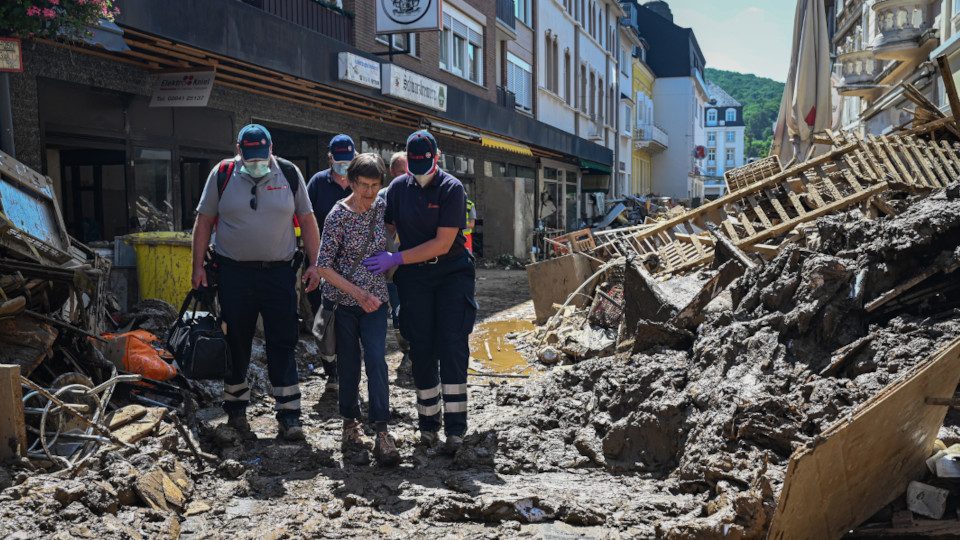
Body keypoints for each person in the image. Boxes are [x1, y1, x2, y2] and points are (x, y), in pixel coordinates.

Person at [191, 123, 321, 441]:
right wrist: (197, 268)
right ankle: (235, 412)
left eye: (262, 157)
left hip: (279, 274)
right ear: (239, 151)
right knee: (236, 342)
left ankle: (289, 416)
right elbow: (204, 221)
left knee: (282, 342)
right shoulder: (221, 174)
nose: (257, 163)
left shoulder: (288, 174)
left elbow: (307, 219)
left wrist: (316, 264)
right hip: (235, 274)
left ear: (271, 150)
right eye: (250, 158)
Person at [364, 130, 477, 454]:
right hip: (415, 277)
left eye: (426, 166)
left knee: (452, 344)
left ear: (436, 159)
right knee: (421, 347)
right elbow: (386, 227)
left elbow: (443, 242)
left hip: (451, 271)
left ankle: (455, 430)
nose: (421, 172)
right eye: (415, 167)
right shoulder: (398, 189)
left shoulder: (451, 189)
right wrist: (378, 255)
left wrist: (396, 257)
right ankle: (428, 426)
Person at [315, 153, 399, 465]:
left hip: (375, 303)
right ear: (351, 183)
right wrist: (358, 293)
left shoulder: (381, 208)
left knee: (377, 360)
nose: (369, 192)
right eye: (363, 185)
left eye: (375, 185)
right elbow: (323, 267)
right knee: (349, 364)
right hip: (344, 304)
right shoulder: (338, 216)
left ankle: (381, 430)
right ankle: (350, 423)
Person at [305, 134, 356, 391]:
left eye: (348, 160)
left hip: (354, 267)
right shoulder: (316, 184)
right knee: (322, 319)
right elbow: (305, 222)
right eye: (339, 160)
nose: (343, 166)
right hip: (322, 264)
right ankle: (330, 368)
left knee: (349, 318)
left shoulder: (361, 184)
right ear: (330, 158)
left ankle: (347, 370)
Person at [378, 152, 411, 369]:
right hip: (388, 265)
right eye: (401, 172)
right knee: (393, 310)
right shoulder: (381, 198)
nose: (406, 176)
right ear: (392, 173)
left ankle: (411, 353)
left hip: (410, 262)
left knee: (407, 310)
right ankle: (405, 350)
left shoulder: (417, 194)